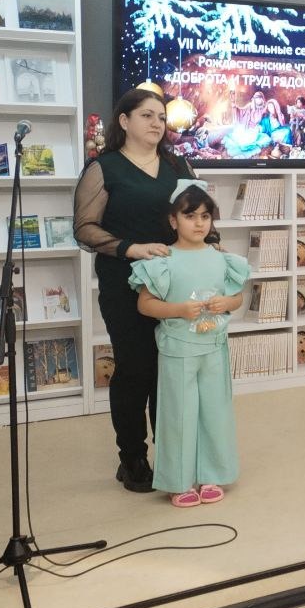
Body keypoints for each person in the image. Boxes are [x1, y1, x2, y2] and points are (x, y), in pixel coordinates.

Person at [74, 89, 194, 492]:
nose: (157, 123)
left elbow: (198, 214)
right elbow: (85, 228)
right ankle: (132, 458)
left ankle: (172, 455)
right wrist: (131, 248)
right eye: (147, 115)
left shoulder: (178, 165)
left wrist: (211, 246)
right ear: (124, 121)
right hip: (124, 283)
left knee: (171, 370)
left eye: (161, 116)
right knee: (136, 368)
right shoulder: (103, 168)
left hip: (175, 283)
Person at [130, 182, 249, 507]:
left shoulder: (221, 258)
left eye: (205, 216)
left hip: (214, 347)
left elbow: (237, 297)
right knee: (178, 414)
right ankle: (178, 480)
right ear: (173, 220)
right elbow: (145, 304)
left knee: (215, 411)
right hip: (178, 350)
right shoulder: (163, 260)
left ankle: (212, 473)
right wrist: (179, 310)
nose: (199, 223)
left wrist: (227, 303)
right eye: (190, 216)